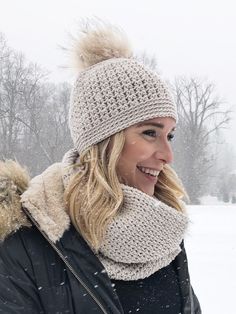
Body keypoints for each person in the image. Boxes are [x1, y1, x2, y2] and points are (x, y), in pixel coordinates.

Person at [0, 21, 201, 314]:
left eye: (170, 135)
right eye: (150, 133)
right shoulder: (27, 246)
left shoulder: (162, 231)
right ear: (105, 141)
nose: (168, 155)